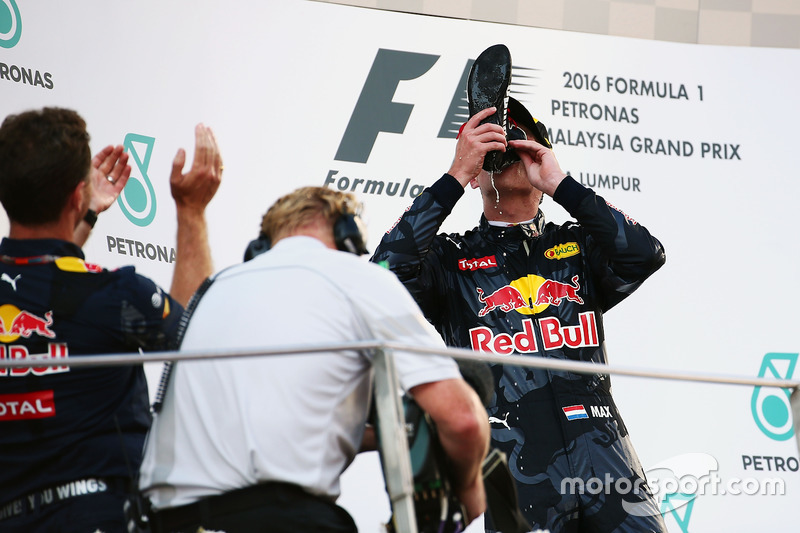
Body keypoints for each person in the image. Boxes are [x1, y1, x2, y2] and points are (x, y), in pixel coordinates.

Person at [371, 63, 668, 531]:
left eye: (517, 136)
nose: (506, 145)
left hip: (607, 464)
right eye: (494, 140)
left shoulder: (579, 247)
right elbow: (384, 272)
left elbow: (646, 255)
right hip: (515, 473)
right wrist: (455, 175)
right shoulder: (451, 260)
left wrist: (561, 185)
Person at [138, 186, 491, 533]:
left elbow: (286, 422)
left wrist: (395, 429)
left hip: (165, 520)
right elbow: (462, 419)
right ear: (348, 235)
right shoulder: (359, 277)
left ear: (262, 245)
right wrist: (469, 489)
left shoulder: (213, 286)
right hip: (283, 518)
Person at [0, 107, 222, 533]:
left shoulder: (77, 292)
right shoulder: (114, 294)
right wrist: (191, 211)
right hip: (101, 516)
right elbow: (193, 344)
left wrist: (81, 218)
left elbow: (44, 284)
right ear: (75, 195)